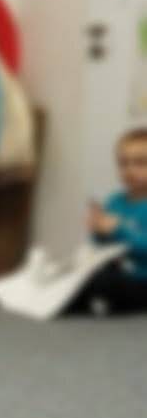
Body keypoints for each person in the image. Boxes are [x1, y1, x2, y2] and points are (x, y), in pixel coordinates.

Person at [78, 125, 147, 315]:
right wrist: (99, 231)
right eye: (123, 163)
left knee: (104, 282)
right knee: (83, 274)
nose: (130, 170)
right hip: (119, 273)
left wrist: (119, 230)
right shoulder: (114, 201)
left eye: (141, 163)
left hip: (143, 279)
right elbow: (102, 246)